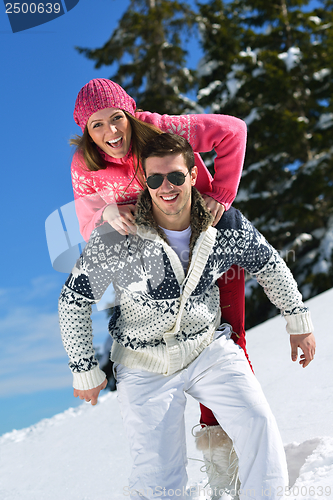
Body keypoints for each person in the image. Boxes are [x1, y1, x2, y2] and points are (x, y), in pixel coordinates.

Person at [59, 133, 315, 500]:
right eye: (155, 179)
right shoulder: (117, 236)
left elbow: (270, 265)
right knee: (157, 476)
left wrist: (298, 322)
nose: (167, 187)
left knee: (257, 422)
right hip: (144, 361)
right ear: (144, 183)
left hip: (206, 346)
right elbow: (74, 300)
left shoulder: (223, 225)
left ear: (193, 175)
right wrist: (84, 368)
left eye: (176, 176)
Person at [70, 78, 250, 441]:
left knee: (227, 336)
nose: (111, 131)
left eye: (116, 117)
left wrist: (221, 193)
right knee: (172, 352)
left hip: (208, 244)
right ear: (87, 131)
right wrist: (107, 214)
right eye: (97, 124)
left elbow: (233, 131)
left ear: (130, 113)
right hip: (160, 271)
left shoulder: (162, 130)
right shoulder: (85, 165)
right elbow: (87, 226)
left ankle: (229, 440)